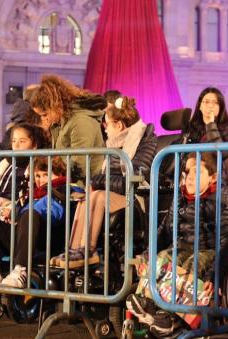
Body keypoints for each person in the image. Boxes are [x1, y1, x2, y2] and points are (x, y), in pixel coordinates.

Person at [127, 152, 228, 335]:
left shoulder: (221, 201)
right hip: (183, 246)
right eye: (187, 172)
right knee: (162, 258)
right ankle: (147, 301)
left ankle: (170, 316)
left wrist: (214, 275)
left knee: (191, 264)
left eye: (197, 172)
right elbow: (164, 230)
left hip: (210, 250)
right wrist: (148, 254)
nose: (190, 178)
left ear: (213, 177)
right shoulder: (180, 198)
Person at [50, 96, 157, 268]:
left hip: (135, 199)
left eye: (107, 124)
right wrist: (95, 182)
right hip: (113, 195)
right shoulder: (111, 145)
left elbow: (133, 179)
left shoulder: (145, 141)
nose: (104, 128)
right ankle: (73, 250)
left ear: (119, 125)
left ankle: (88, 250)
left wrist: (98, 181)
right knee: (86, 197)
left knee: (98, 195)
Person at [0, 123, 49, 288]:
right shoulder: (6, 162)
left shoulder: (37, 164)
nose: (17, 146)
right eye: (14, 141)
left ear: (34, 144)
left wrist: (12, 205)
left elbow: (33, 194)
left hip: (20, 217)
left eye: (22, 141)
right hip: (0, 214)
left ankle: (20, 270)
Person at [29, 74, 106, 184]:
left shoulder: (81, 122)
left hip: (84, 187)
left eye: (45, 114)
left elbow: (80, 165)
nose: (43, 119)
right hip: (67, 184)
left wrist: (54, 175)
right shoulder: (60, 122)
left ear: (55, 106)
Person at [185, 87, 228, 192]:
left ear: (220, 107)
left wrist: (210, 125)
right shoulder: (190, 128)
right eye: (206, 102)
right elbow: (183, 156)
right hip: (192, 181)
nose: (210, 106)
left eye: (215, 103)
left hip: (219, 180)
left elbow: (223, 153)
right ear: (200, 105)